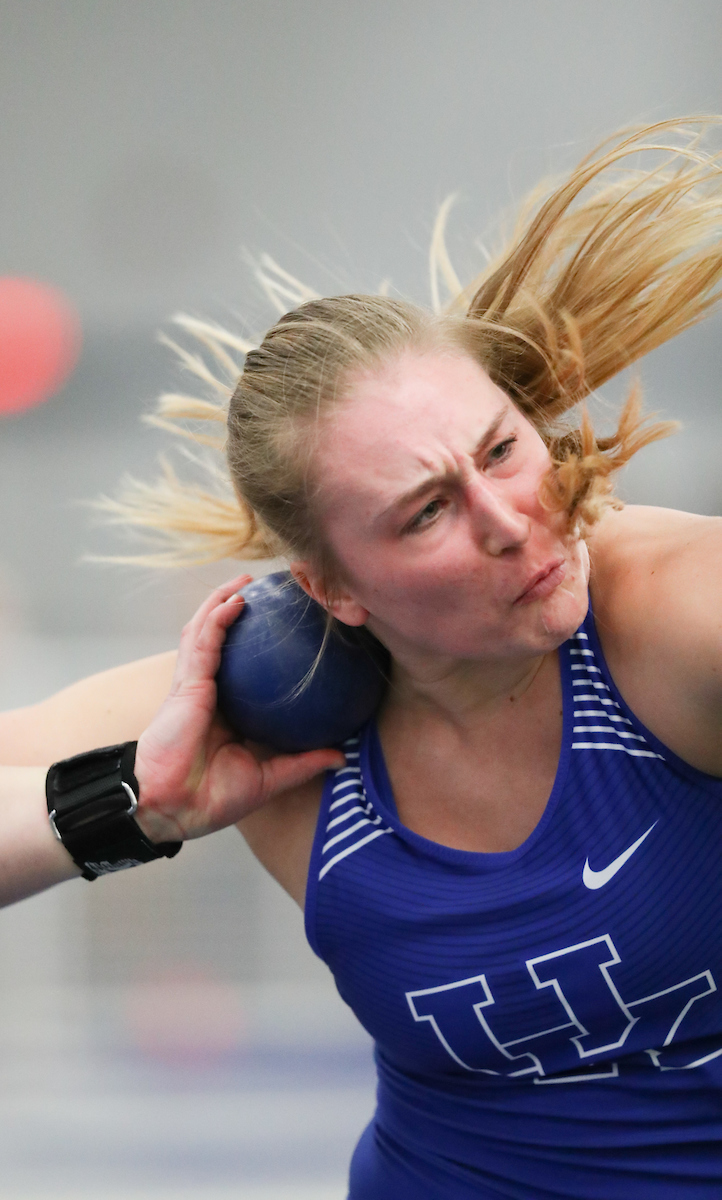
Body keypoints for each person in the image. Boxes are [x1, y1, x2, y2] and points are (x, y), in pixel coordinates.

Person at [1, 116, 722, 1195]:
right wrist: (132, 805)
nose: (508, 521)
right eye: (426, 511)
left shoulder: (669, 617)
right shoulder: (266, 700)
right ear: (330, 587)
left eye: (500, 450)